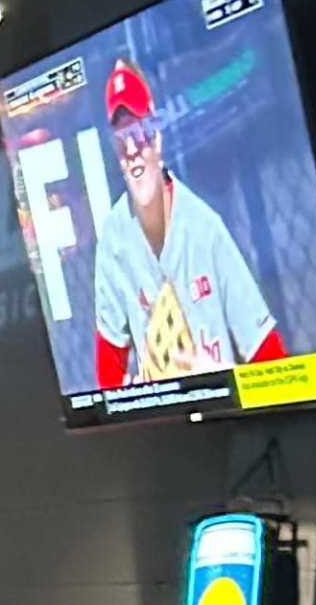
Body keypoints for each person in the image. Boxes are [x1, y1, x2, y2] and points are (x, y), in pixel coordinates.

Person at [90, 57, 282, 391]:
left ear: (157, 138)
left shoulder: (204, 228)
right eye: (122, 138)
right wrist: (130, 396)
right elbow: (108, 369)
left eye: (140, 132)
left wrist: (222, 377)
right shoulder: (113, 237)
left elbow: (272, 361)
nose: (133, 150)